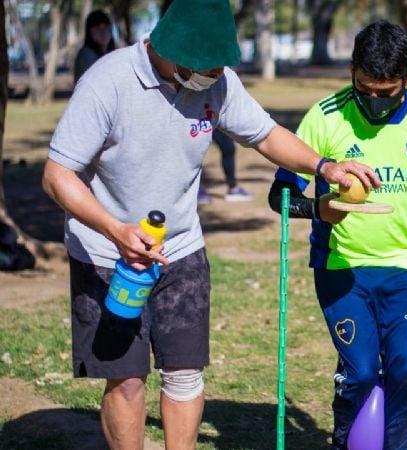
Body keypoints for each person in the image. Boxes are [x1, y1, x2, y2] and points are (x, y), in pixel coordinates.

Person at [41, 1, 379, 449]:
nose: (217, 76)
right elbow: (56, 175)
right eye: (210, 67)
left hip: (180, 249)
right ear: (175, 53)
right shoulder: (108, 82)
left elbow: (266, 134)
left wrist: (324, 166)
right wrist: (115, 230)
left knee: (184, 373)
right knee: (125, 379)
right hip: (108, 253)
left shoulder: (217, 83)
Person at [268, 20, 407, 450]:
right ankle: (345, 439)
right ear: (352, 71)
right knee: (363, 372)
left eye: (386, 92)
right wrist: (318, 209)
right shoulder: (323, 118)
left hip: (404, 268)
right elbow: (280, 197)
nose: (374, 102)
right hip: (340, 268)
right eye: (364, 88)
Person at [196, 129, 254, 204]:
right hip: (194, 120)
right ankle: (197, 189)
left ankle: (233, 189)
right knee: (196, 149)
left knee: (228, 147)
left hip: (213, 119)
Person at [74, 10, 116, 84]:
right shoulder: (86, 55)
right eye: (98, 28)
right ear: (89, 32)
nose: (103, 33)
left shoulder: (113, 54)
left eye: (106, 27)